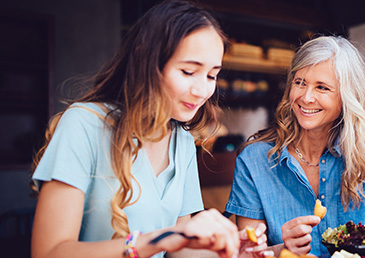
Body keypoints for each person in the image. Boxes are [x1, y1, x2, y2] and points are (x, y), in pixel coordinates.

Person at [31, 1, 272, 258]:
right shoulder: (84, 125)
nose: (202, 91)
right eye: (188, 71)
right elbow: (48, 252)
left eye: (212, 76)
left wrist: (232, 251)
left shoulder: (182, 141)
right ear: (146, 62)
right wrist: (159, 240)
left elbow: (181, 251)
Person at [224, 35, 365, 257]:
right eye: (300, 82)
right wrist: (284, 249)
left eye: (322, 87)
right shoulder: (254, 160)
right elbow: (247, 252)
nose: (306, 97)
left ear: (346, 98)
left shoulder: (364, 156)